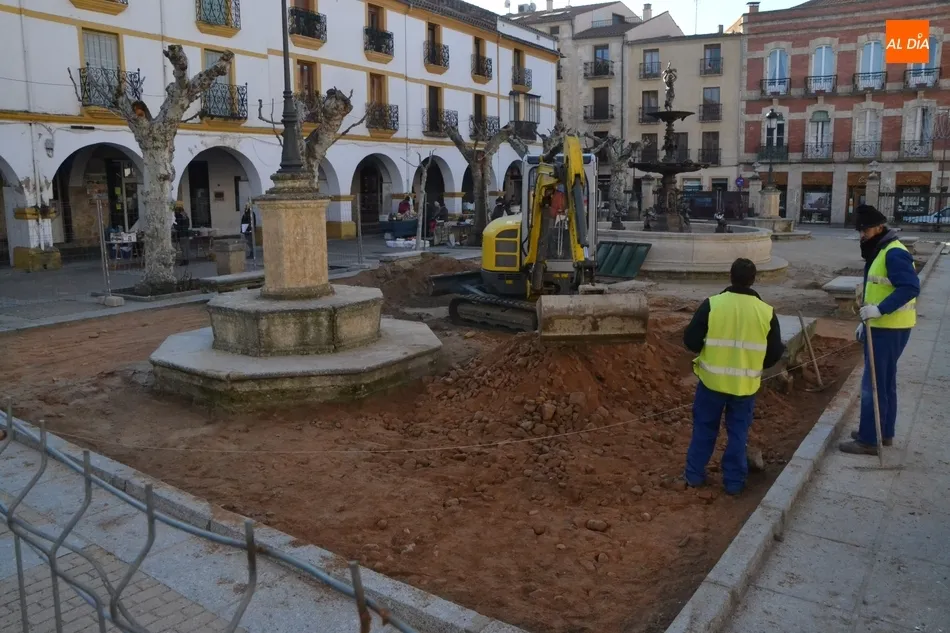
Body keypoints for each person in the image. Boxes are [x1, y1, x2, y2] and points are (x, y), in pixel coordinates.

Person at [682, 258, 785, 495]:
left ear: (730, 276)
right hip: (744, 387)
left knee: (704, 430)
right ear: (753, 280)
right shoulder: (766, 312)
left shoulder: (713, 305)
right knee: (738, 434)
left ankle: (694, 475)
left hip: (712, 383)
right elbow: (773, 354)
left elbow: (690, 341)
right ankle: (734, 482)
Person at [839, 205, 919, 455]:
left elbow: (909, 287)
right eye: (860, 230)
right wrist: (865, 322)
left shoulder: (894, 253)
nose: (862, 235)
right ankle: (882, 432)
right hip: (882, 327)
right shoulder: (882, 249)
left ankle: (869, 440)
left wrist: (879, 310)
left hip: (888, 328)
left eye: (865, 230)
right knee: (884, 383)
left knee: (872, 385)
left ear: (879, 228)